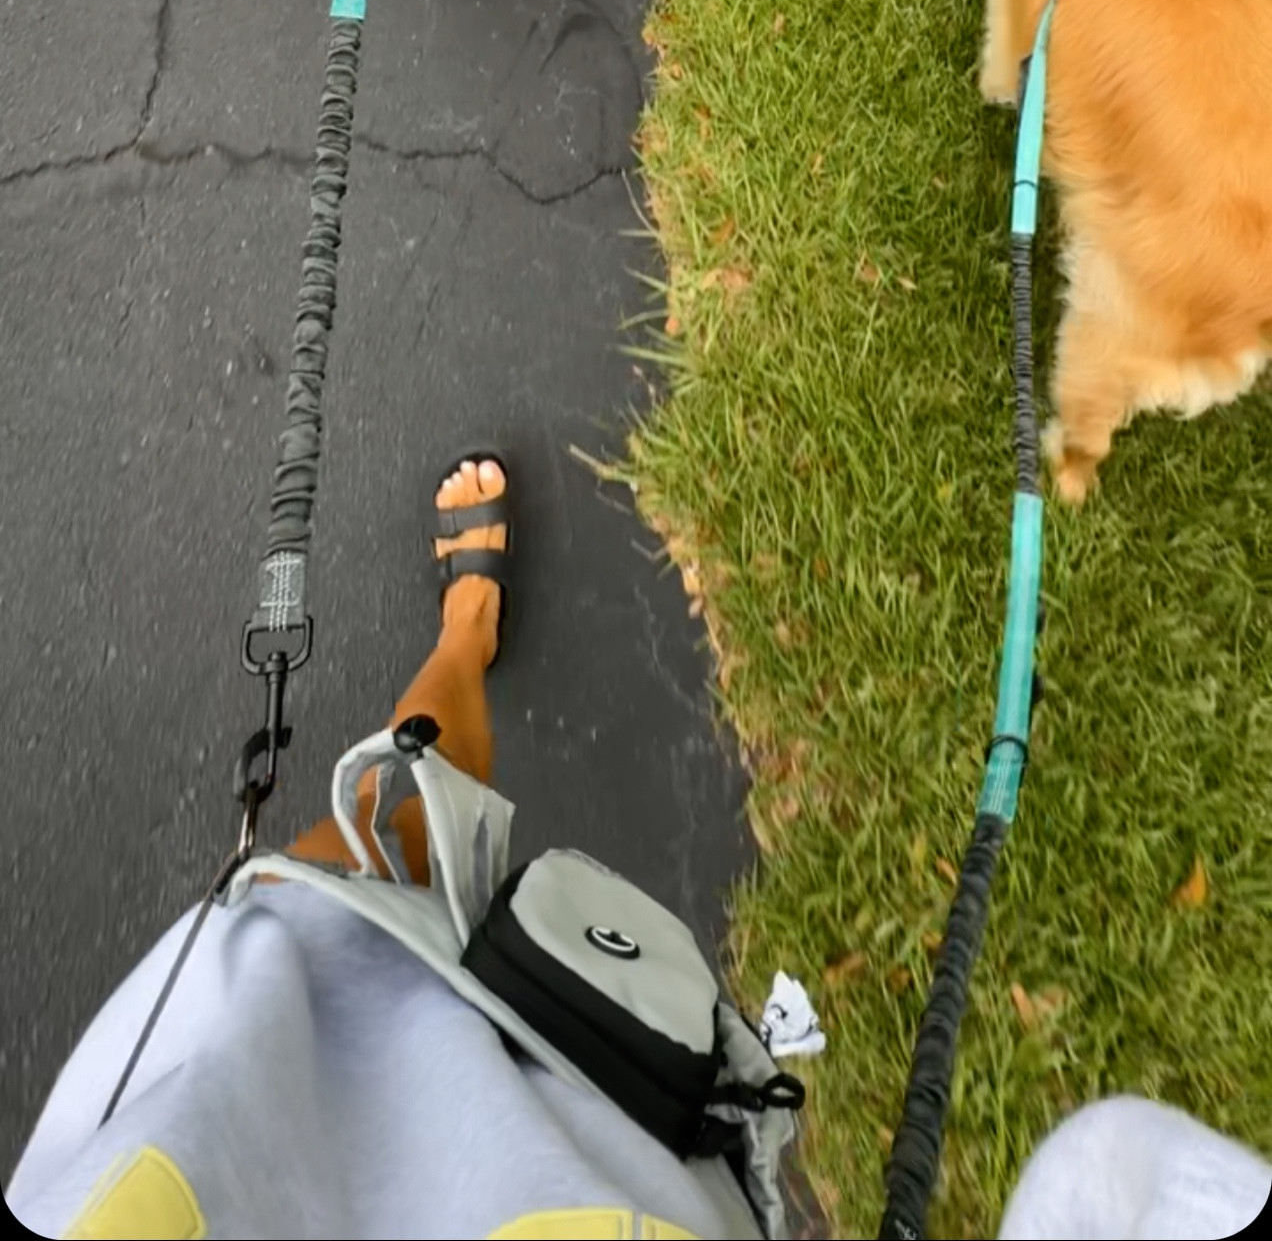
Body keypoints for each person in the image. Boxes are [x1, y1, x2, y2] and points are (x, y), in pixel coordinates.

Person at [6, 460, 1269, 1240]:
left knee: (382, 828)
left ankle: (467, 629)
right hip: (622, 1187)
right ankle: (462, 632)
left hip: (234, 1133)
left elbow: (1121, 1170)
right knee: (386, 840)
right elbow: (1122, 1178)